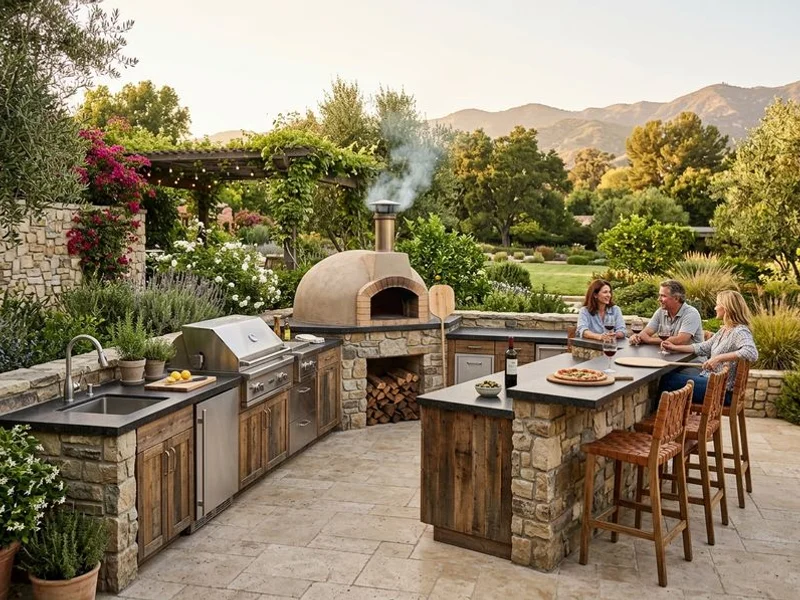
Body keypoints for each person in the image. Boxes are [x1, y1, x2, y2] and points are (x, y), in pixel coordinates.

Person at [660, 290, 758, 405]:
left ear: (726, 308)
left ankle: (661, 420)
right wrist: (674, 347)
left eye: (717, 304)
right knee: (671, 378)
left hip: (721, 391)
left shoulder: (740, 331)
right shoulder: (725, 330)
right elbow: (703, 347)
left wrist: (718, 358)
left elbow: (751, 352)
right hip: (711, 382)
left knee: (667, 380)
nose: (715, 308)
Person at [629, 279, 704, 346]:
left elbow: (681, 340)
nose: (659, 299)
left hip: (691, 359)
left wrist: (649, 340)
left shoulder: (691, 313)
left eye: (663, 296)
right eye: (659, 295)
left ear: (676, 298)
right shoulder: (660, 312)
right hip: (669, 356)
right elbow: (645, 333)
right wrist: (637, 337)